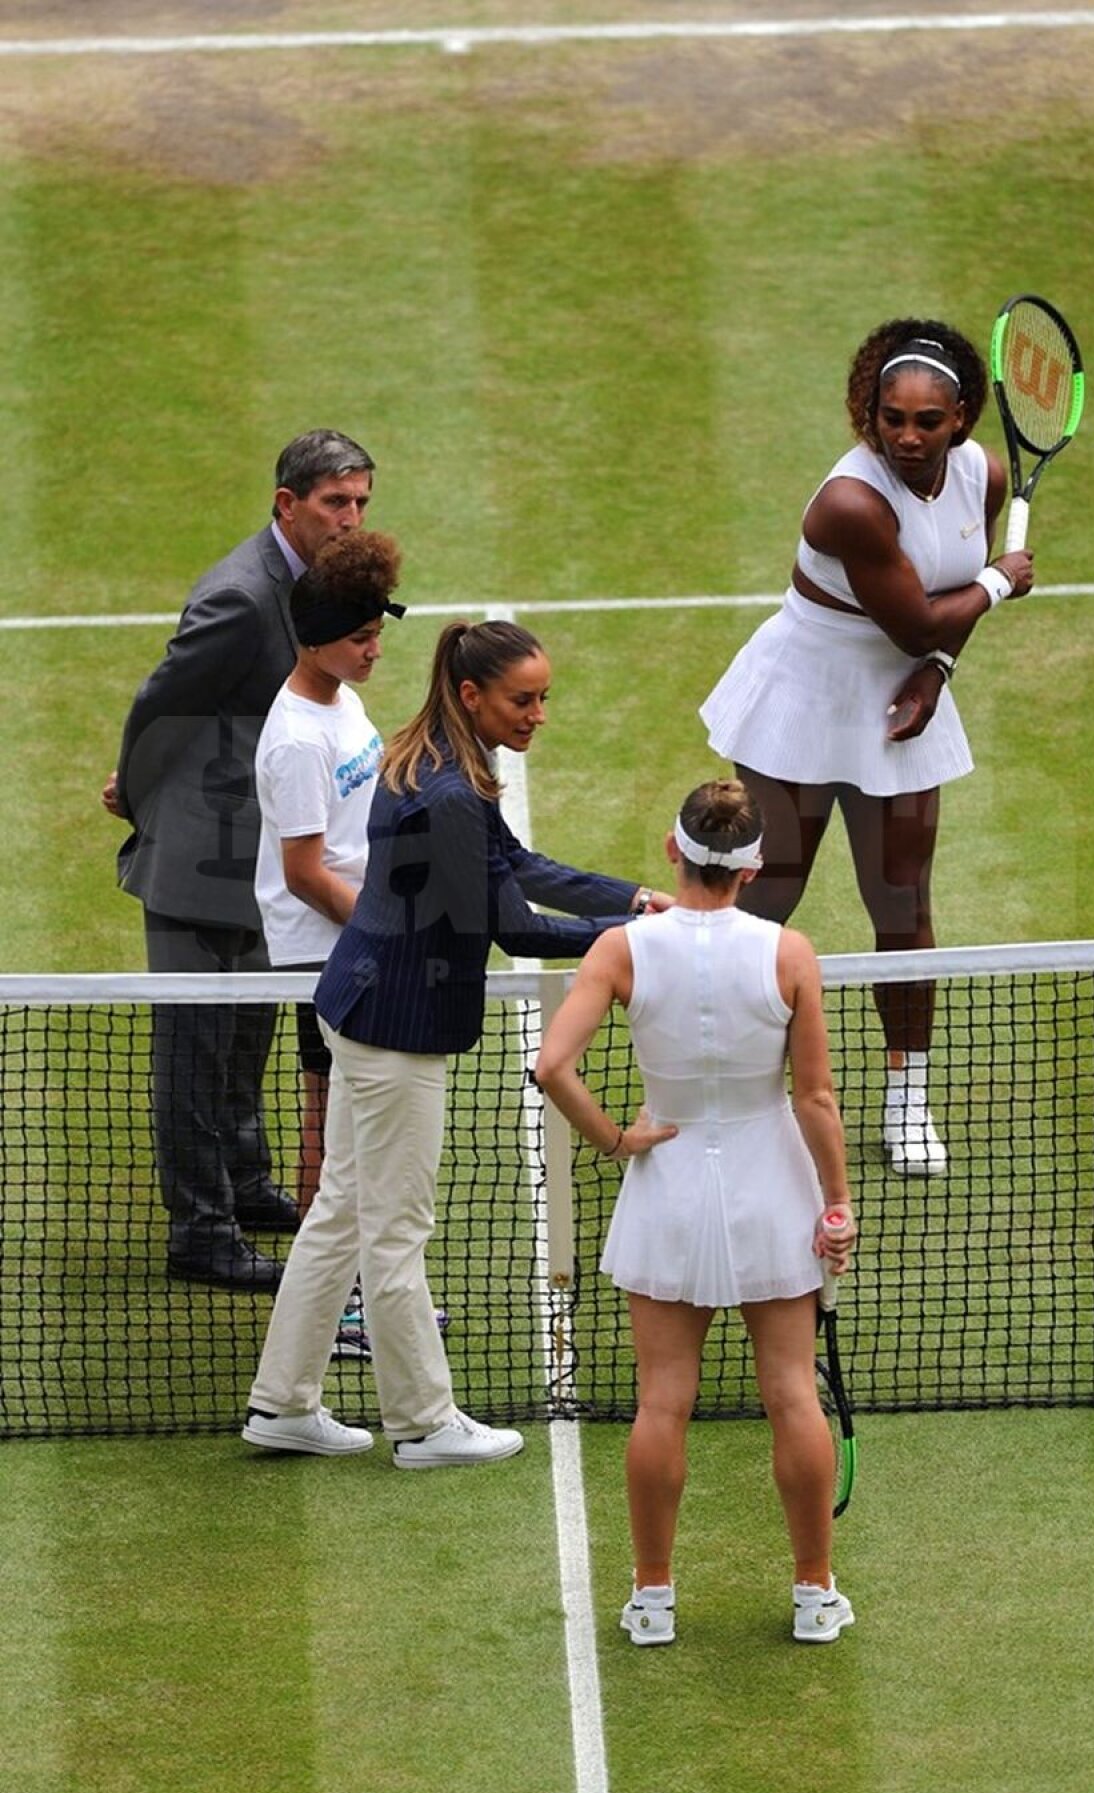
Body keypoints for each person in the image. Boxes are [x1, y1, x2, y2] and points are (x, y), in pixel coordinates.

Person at [242, 620, 673, 1468]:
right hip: (393, 1030)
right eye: (524, 698)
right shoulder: (446, 792)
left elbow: (519, 862)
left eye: (544, 696)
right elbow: (511, 922)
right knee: (395, 1230)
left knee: (340, 1214)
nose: (539, 714)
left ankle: (283, 1404)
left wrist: (633, 899)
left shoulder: (439, 759)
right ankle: (424, 1424)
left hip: (363, 1003)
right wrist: (625, 941)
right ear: (473, 694)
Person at [700, 319, 1035, 1175]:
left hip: (899, 694)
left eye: (928, 421)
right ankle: (725, 1092)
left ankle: (907, 1099)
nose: (909, 437)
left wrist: (934, 673)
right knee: (766, 899)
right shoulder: (851, 502)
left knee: (902, 905)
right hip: (804, 699)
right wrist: (1002, 581)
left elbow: (936, 628)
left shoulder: (984, 476)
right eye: (892, 419)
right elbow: (927, 612)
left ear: (962, 417)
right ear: (871, 414)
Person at [535, 778, 857, 1645]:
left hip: (667, 1189)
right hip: (771, 1187)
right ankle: (815, 1594)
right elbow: (816, 1099)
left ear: (676, 851)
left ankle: (651, 1600)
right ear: (753, 868)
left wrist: (615, 1140)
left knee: (661, 1402)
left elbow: (552, 1067)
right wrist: (838, 1205)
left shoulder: (621, 948)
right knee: (793, 1395)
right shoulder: (790, 952)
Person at [102, 430, 376, 1289]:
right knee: (195, 1047)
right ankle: (202, 1230)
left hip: (259, 855)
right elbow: (161, 704)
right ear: (287, 504)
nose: (352, 518)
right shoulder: (240, 598)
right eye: (336, 502)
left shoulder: (314, 587)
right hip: (195, 862)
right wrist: (142, 798)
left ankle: (248, 1182)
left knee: (252, 1024)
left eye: (362, 501)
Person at [254, 529, 404, 1357]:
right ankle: (338, 1303)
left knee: (350, 1119)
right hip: (327, 950)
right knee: (332, 1121)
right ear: (316, 642)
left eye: (378, 634)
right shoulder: (296, 740)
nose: (375, 650)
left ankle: (350, 1291)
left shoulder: (338, 699)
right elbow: (307, 872)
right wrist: (390, 929)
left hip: (356, 934)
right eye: (361, 639)